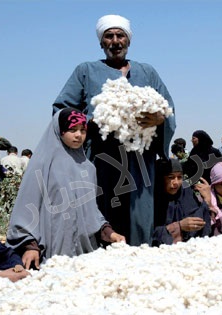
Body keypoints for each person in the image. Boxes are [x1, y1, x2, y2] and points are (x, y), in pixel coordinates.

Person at [52, 14, 176, 247]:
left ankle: (139, 260)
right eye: (109, 36)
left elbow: (167, 109)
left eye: (121, 35)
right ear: (101, 42)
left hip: (140, 161)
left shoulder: (147, 72)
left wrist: (158, 119)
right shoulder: (86, 71)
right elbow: (62, 110)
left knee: (140, 216)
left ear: (129, 41)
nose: (115, 41)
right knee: (101, 212)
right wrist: (93, 121)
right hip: (102, 158)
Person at [7, 109, 125, 270]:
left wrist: (108, 232)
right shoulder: (42, 164)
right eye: (72, 130)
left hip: (85, 254)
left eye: (83, 130)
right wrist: (30, 246)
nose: (78, 135)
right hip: (52, 249)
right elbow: (27, 207)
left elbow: (91, 210)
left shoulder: (88, 167)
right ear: (59, 130)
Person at [151, 159, 212, 247]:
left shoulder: (186, 194)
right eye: (171, 177)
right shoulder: (151, 202)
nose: (176, 182)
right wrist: (178, 227)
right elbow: (147, 236)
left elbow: (201, 225)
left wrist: (207, 201)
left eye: (179, 177)